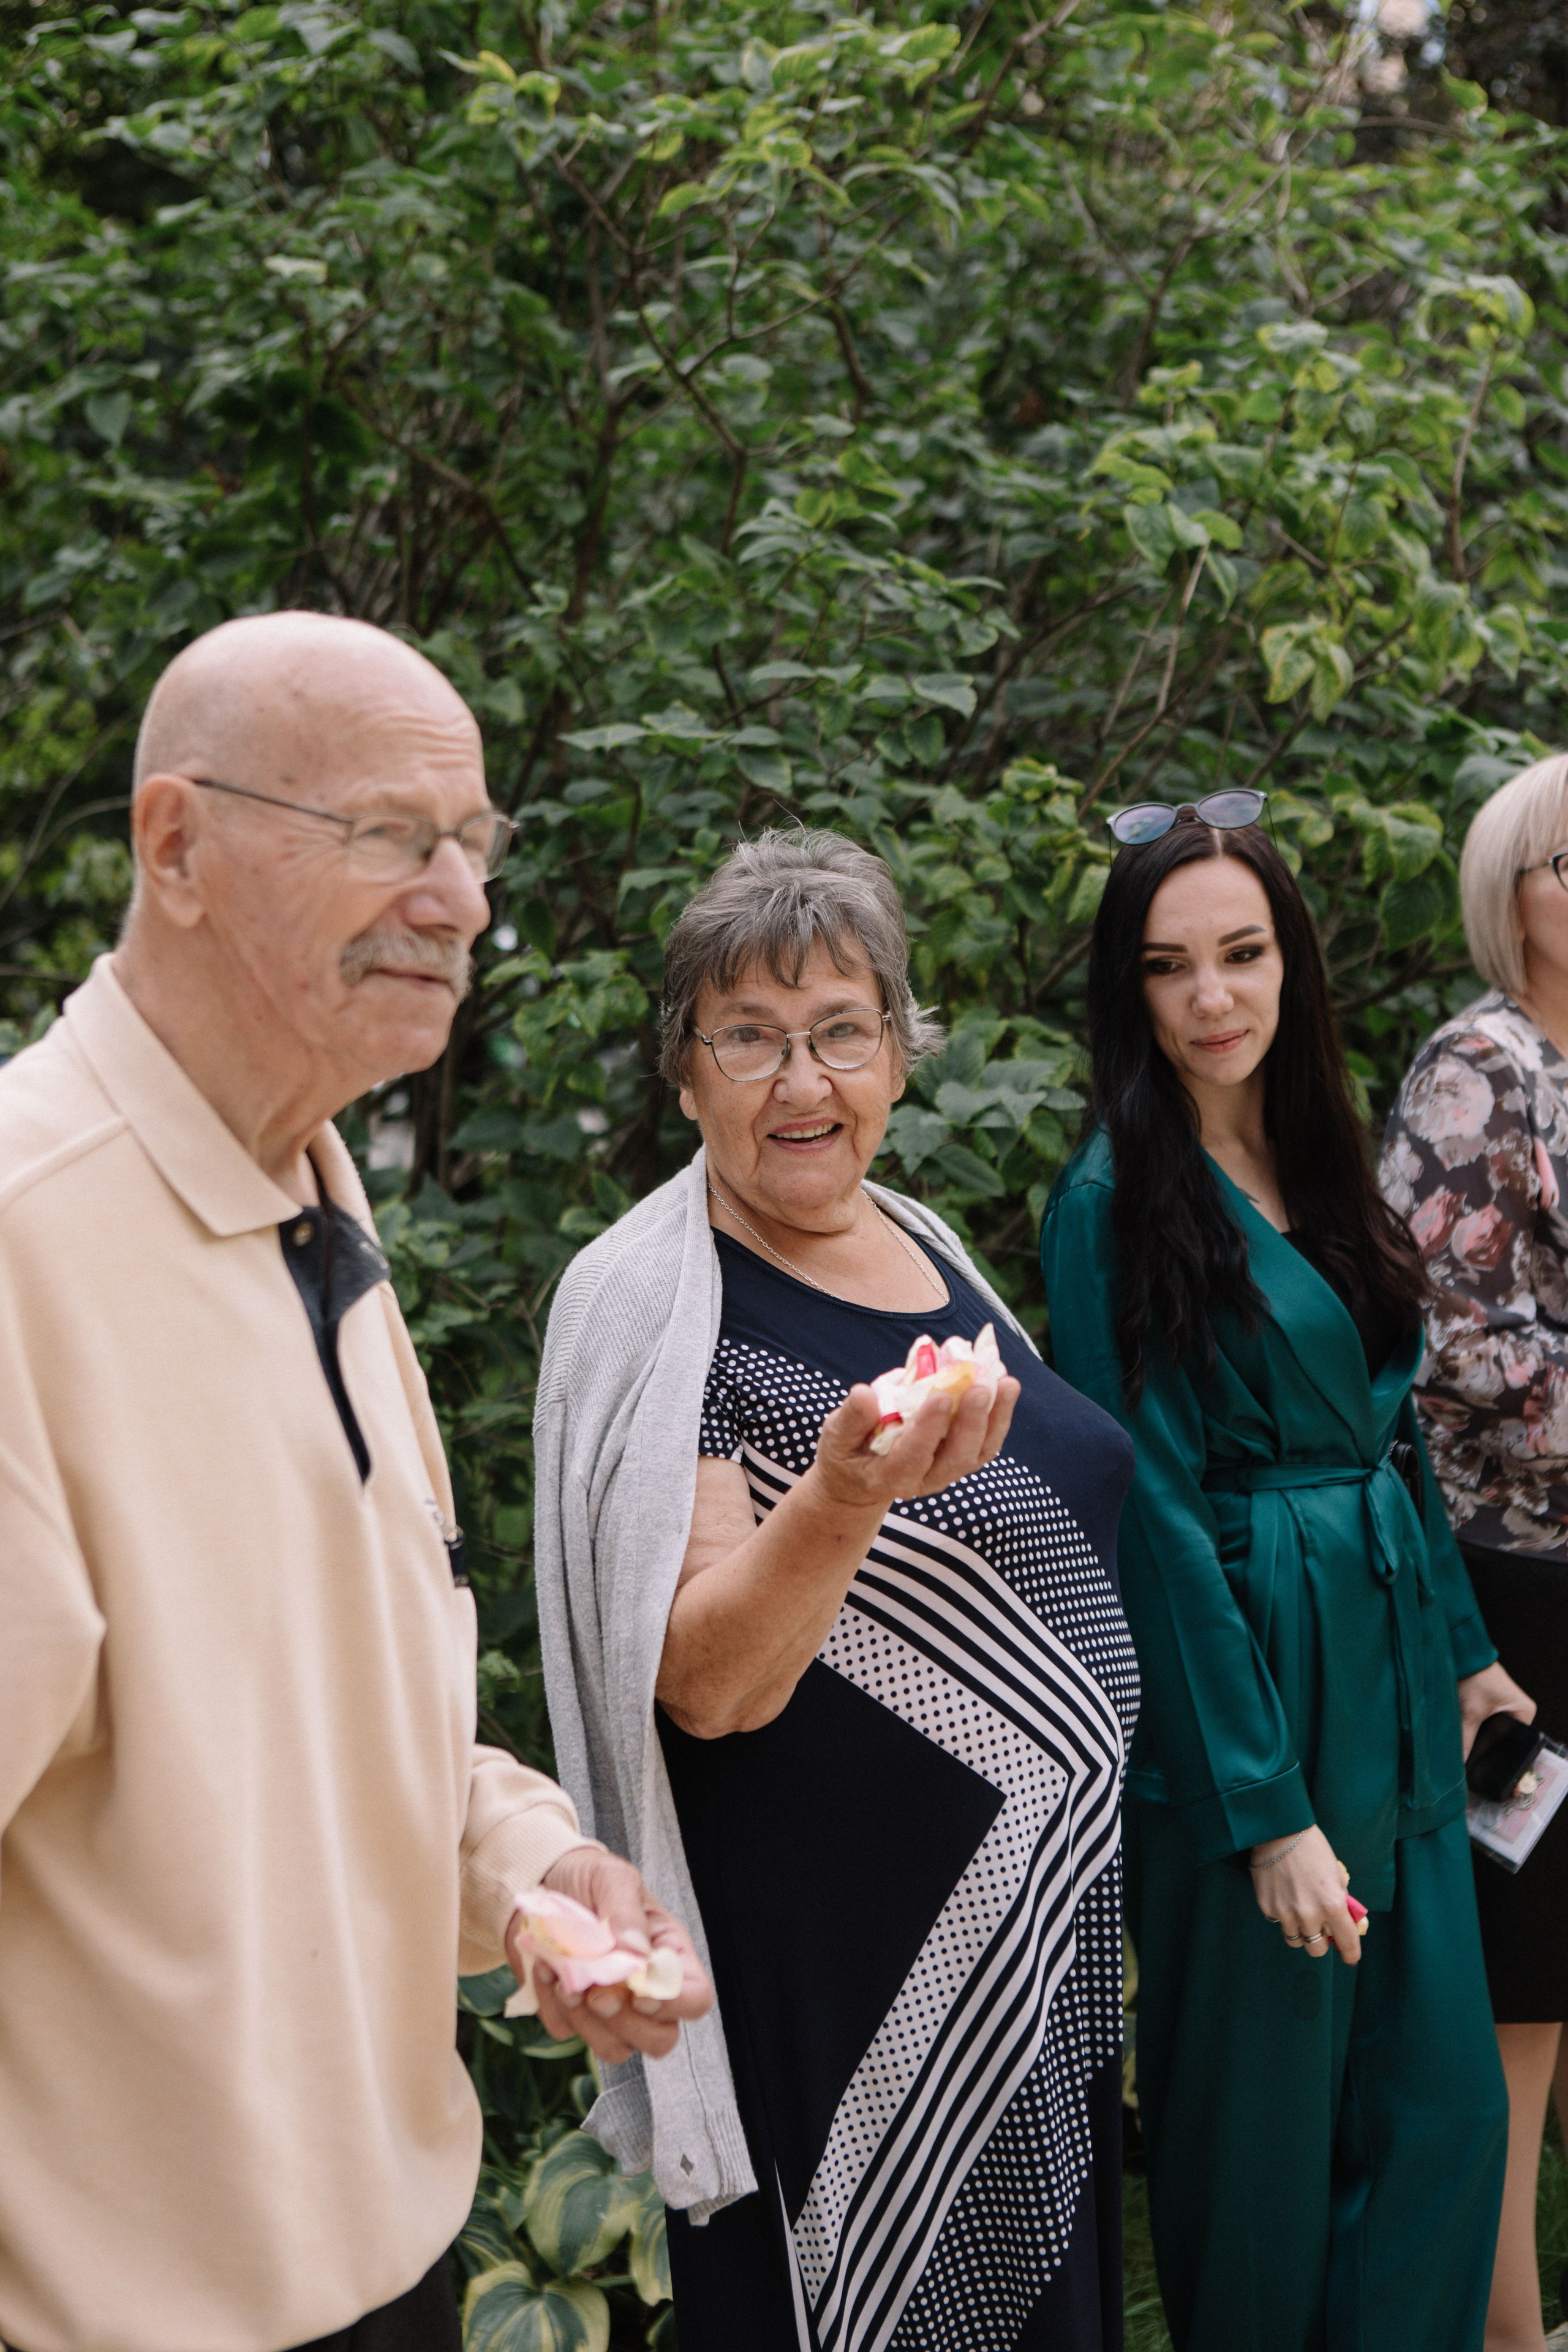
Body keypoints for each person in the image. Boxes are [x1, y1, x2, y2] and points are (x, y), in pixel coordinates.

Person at [0, 612, 709, 2352]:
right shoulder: (24, 1242)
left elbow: (302, 1709)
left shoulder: (310, 1186)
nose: (461, 900)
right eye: (393, 837)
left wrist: (531, 1864)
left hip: (389, 2262)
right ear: (177, 844)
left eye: (475, 844)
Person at [534, 828, 1140, 2352]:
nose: (800, 1082)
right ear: (683, 1072)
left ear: (897, 1054)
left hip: (1027, 1980)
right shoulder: (658, 1302)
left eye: (840, 1032)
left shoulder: (926, 1245)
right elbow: (706, 1685)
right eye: (747, 1037)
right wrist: (845, 1492)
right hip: (846, 1993)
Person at [1041, 798, 1522, 2352]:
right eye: (1168, 968)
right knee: (1257, 2143)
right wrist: (1261, 1814)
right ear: (1128, 991)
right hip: (1245, 1665)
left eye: (1240, 955)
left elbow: (1387, 1437)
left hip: (1387, 1661)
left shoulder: (1319, 1150)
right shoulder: (1112, 1197)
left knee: (1437, 2109)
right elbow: (1150, 1512)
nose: (1211, 999)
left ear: (1287, 963)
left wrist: (1462, 1650)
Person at [1382, 750, 1568, 2352]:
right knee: (1529, 1982)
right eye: (1566, 861)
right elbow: (1452, 1337)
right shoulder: (1480, 1066)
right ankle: (1510, 2332)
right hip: (1514, 1580)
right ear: (1512, 894)